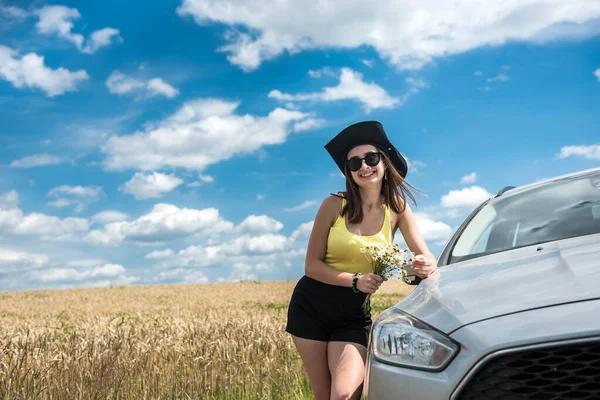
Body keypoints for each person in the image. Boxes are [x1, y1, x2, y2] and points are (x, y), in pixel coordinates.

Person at [285, 120, 437, 400]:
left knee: (344, 394)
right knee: (322, 394)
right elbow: (312, 266)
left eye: (371, 158)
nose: (364, 167)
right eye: (355, 163)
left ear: (384, 161)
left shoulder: (398, 209)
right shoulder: (332, 205)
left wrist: (424, 266)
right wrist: (355, 279)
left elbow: (424, 256)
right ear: (349, 173)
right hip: (311, 307)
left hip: (352, 316)